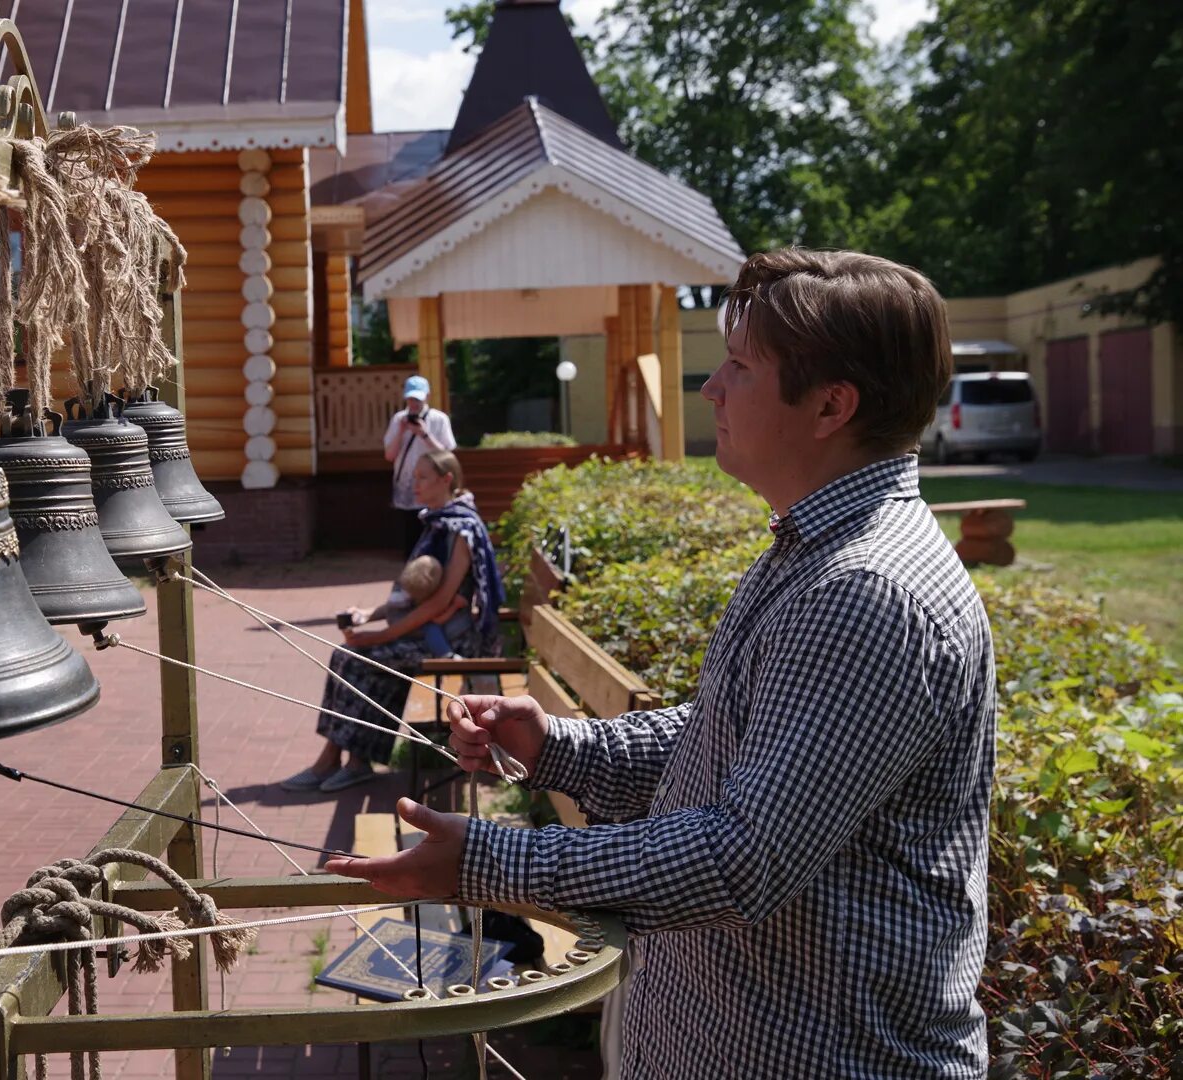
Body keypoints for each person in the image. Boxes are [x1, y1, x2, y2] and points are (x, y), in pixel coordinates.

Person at [327, 249, 995, 1079]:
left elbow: (737, 858)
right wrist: (560, 748)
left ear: (830, 405)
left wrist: (484, 861)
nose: (710, 389)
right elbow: (736, 733)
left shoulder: (865, 590)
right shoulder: (815, 548)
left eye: (740, 368)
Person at [280, 449, 505, 794]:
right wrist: (370, 615)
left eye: (422, 477)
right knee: (354, 659)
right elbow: (413, 593)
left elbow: (440, 602)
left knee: (354, 659)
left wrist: (381, 636)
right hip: (427, 631)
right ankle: (353, 761)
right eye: (413, 477)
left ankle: (338, 761)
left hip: (451, 640)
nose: (413, 484)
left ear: (446, 480)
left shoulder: (462, 528)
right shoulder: (435, 521)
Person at [384, 375, 456, 556]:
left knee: (433, 532)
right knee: (410, 536)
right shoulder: (398, 419)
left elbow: (447, 455)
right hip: (407, 488)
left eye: (417, 399)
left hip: (433, 486)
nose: (413, 403)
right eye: (410, 399)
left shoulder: (439, 420)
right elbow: (390, 455)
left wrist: (425, 435)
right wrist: (401, 431)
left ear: (427, 397)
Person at [358, 554, 465, 659]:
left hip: (395, 622)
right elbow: (438, 620)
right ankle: (445, 654)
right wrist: (454, 606)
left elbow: (389, 607)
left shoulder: (402, 593)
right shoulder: (424, 600)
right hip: (408, 628)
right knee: (431, 627)